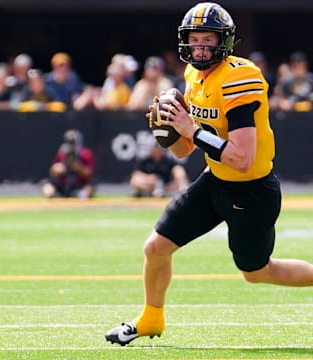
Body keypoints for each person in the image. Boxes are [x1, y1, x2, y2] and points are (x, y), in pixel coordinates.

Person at [105, 2, 313, 346]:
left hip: (251, 191)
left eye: (208, 39)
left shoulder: (239, 77)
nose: (200, 46)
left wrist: (192, 127)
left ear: (225, 42)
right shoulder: (193, 75)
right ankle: (150, 319)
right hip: (215, 180)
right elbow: (185, 150)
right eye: (194, 39)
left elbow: (243, 159)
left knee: (257, 272)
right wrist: (170, 130)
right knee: (156, 248)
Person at [41, 129, 95, 199]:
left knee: (90, 187)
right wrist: (58, 169)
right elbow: (53, 172)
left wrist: (78, 168)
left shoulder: (85, 153)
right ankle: (54, 196)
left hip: (79, 184)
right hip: (63, 184)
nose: (71, 144)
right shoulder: (61, 153)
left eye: (72, 142)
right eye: (68, 142)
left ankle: (81, 195)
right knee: (46, 185)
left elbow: (89, 173)